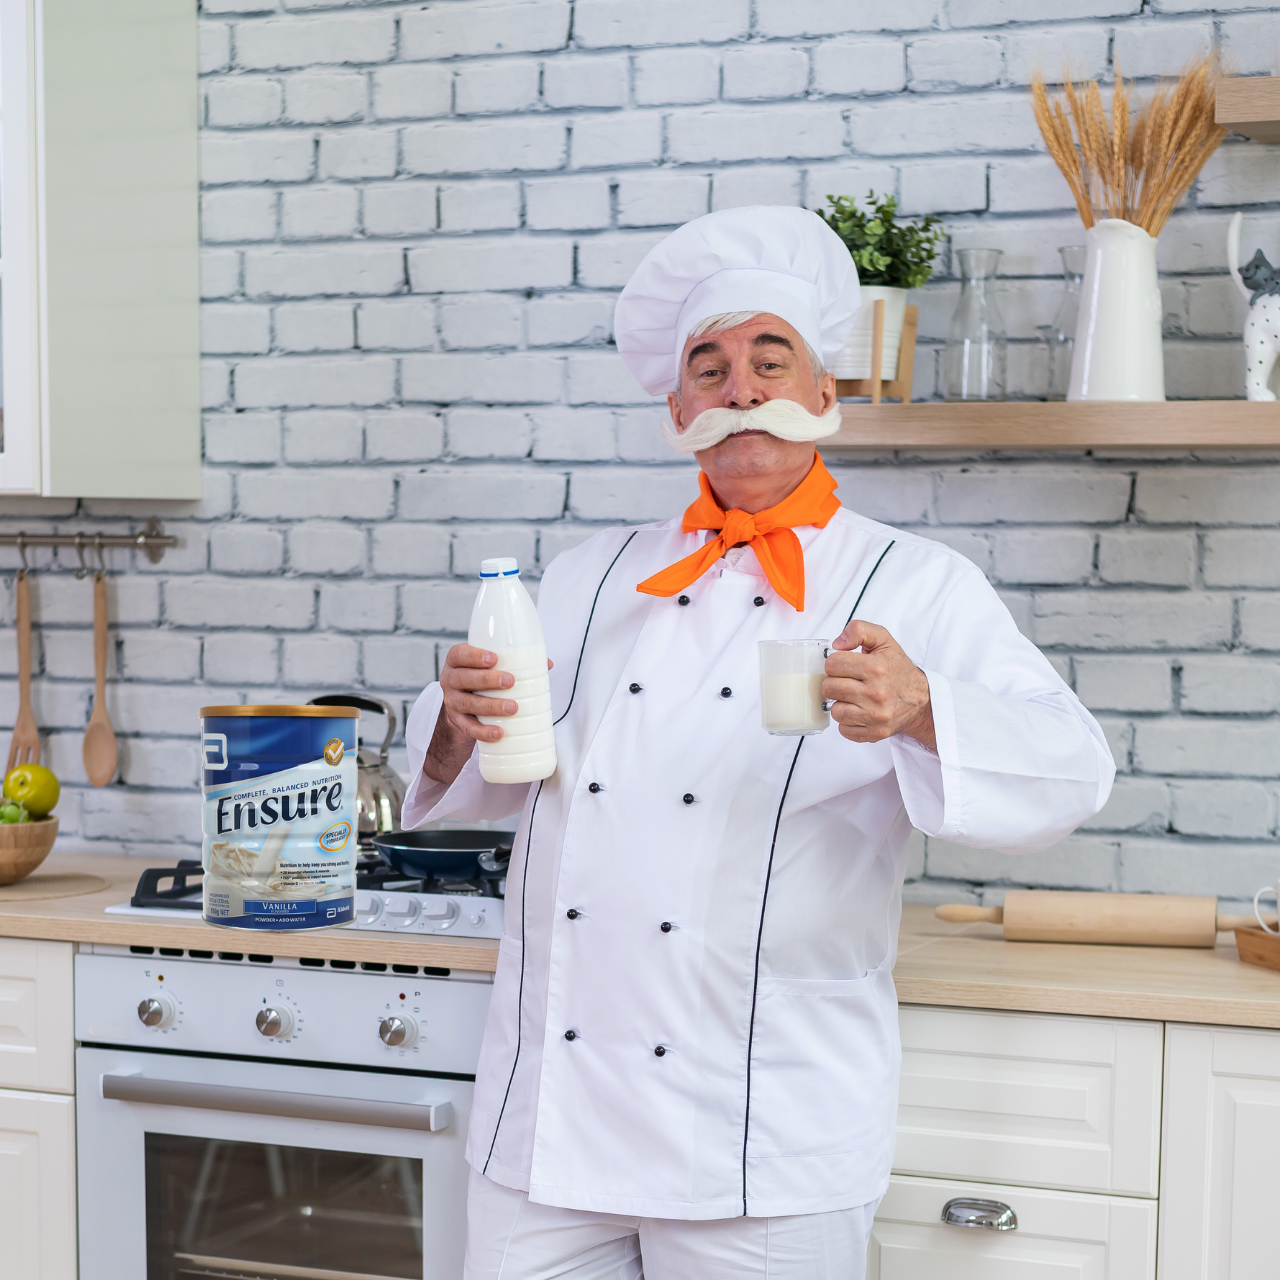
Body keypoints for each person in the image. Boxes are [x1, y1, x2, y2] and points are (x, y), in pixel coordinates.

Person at [403, 206, 1115, 1279]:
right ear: (677, 409)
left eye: (769, 359)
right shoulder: (586, 577)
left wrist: (921, 706)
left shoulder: (915, 582)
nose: (740, 387)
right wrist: (453, 728)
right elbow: (496, 769)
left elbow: (1071, 769)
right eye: (710, 366)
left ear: (823, 393)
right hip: (547, 1124)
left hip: (765, 1129)